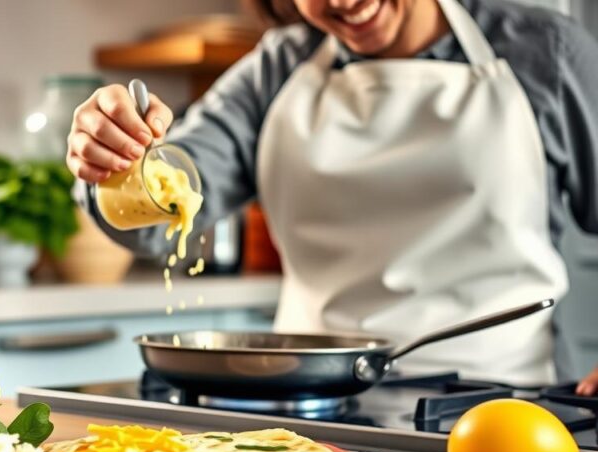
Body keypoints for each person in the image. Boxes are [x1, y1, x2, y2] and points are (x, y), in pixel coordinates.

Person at [66, 0, 598, 391]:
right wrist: (115, 159)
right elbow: (165, 210)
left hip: (507, 402)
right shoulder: (276, 70)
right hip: (306, 404)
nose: (342, 2)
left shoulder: (546, 54)